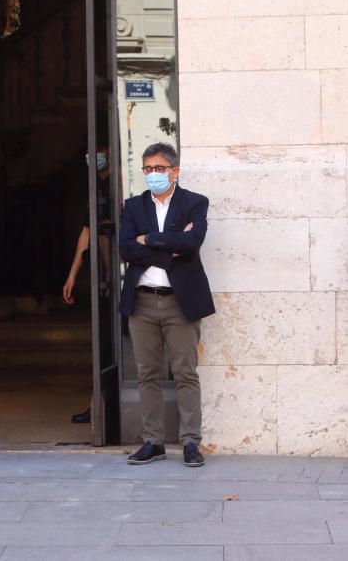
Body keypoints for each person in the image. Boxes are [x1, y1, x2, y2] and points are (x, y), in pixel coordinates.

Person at [119, 142, 214, 467]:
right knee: (147, 374)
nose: (153, 174)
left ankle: (190, 442)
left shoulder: (194, 203)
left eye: (159, 168)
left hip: (180, 302)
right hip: (143, 302)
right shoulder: (133, 206)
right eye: (147, 169)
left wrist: (150, 239)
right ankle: (153, 441)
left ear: (174, 171)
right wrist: (168, 249)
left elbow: (192, 242)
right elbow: (126, 249)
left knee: (185, 372)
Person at [63, 145, 114, 425]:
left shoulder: (119, 184)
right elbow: (87, 230)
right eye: (89, 154)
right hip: (105, 282)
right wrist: (72, 273)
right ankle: (98, 405)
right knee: (103, 344)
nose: (94, 159)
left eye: (100, 153)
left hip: (120, 278)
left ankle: (104, 405)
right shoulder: (96, 188)